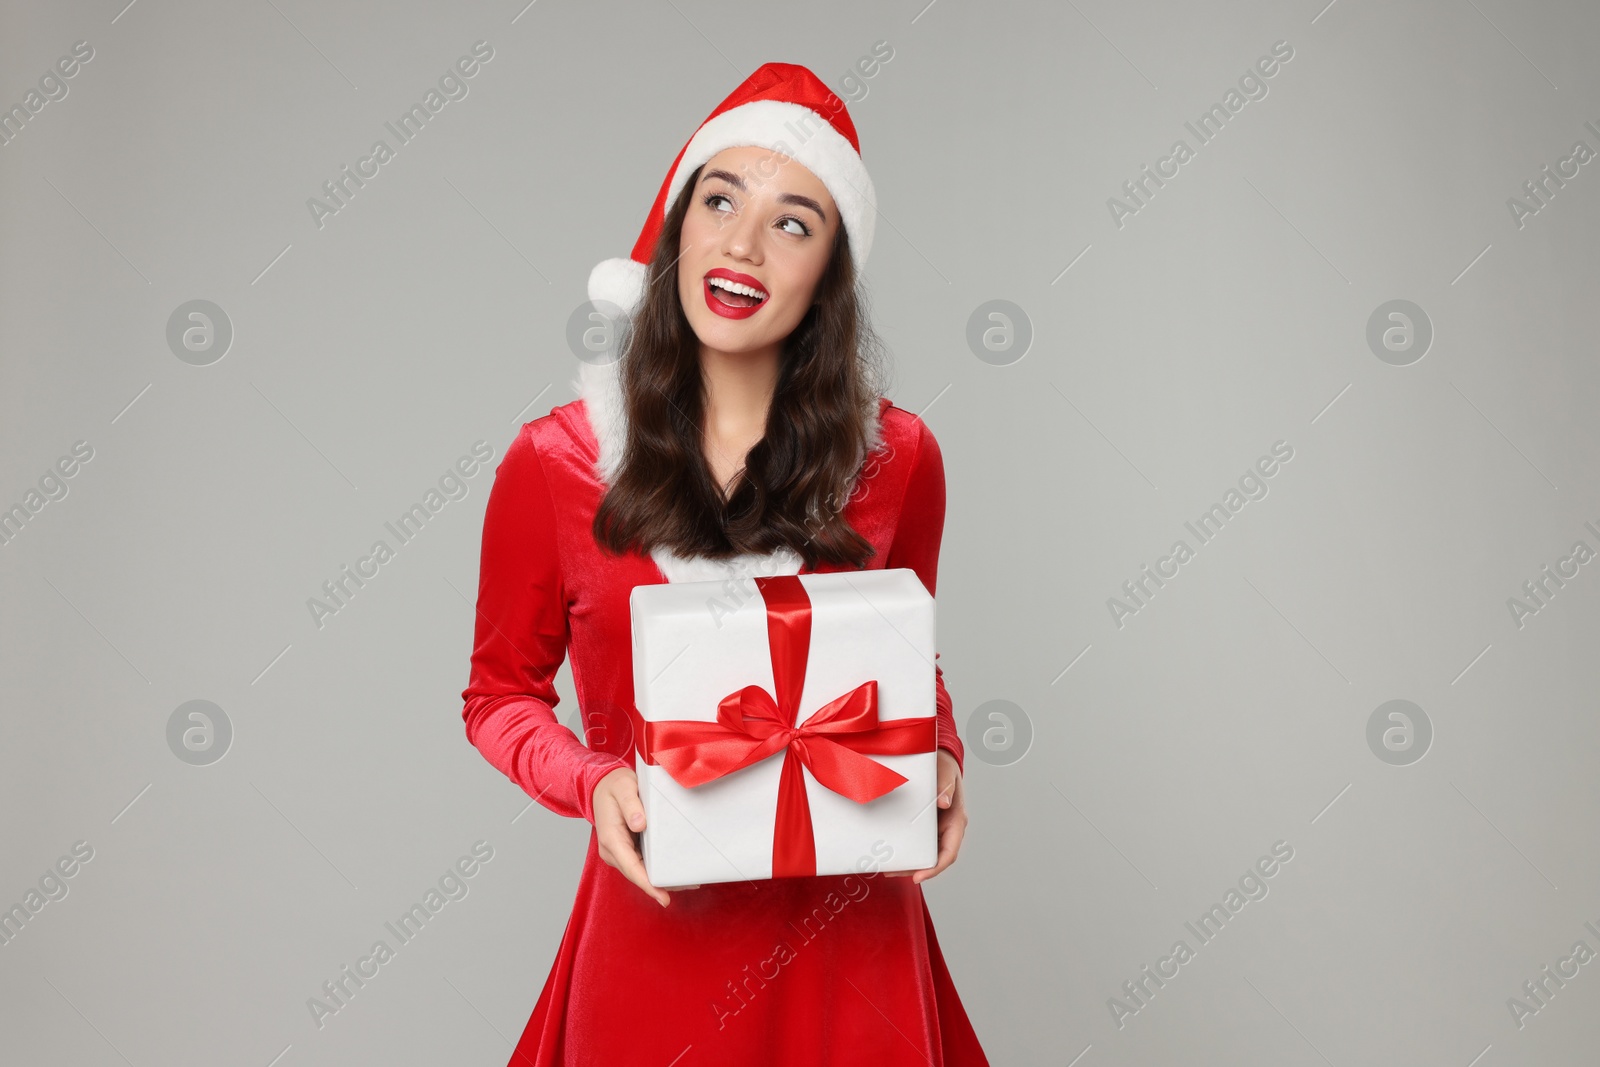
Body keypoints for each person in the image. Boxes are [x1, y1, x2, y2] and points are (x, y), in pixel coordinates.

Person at [461, 62, 989, 1066]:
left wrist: (946, 752)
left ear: (830, 271)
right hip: (657, 927)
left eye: (793, 222)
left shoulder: (901, 459)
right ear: (676, 225)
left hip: (854, 937)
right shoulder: (557, 463)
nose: (743, 243)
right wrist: (589, 779)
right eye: (720, 200)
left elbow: (904, 661)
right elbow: (499, 694)